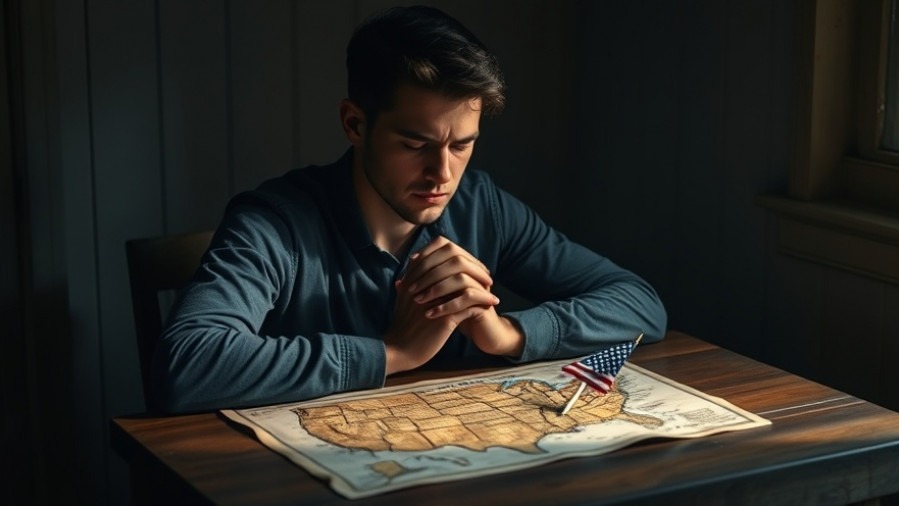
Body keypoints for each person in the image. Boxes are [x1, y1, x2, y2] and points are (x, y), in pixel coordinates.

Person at [152, 5, 667, 414]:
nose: (442, 174)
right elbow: (185, 366)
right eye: (415, 144)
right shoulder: (276, 224)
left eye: (462, 144)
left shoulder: (481, 206)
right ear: (355, 124)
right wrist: (394, 352)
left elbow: (640, 304)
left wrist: (508, 334)